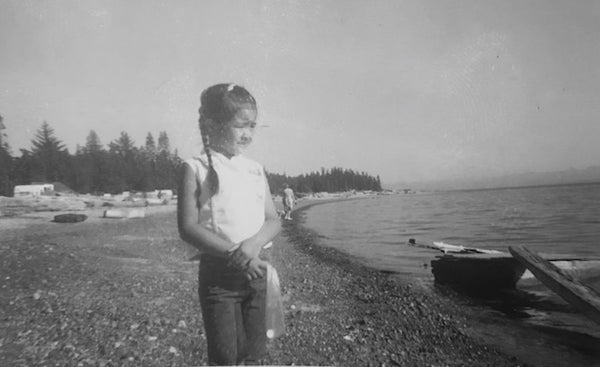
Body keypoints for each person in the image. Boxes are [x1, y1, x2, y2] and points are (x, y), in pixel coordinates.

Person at [177, 83, 281, 365]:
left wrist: (253, 246)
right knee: (225, 356)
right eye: (240, 125)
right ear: (212, 124)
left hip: (258, 271)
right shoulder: (195, 167)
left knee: (254, 354)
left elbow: (273, 219)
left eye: (253, 126)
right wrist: (235, 255)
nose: (248, 133)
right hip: (219, 277)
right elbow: (188, 227)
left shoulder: (255, 169)